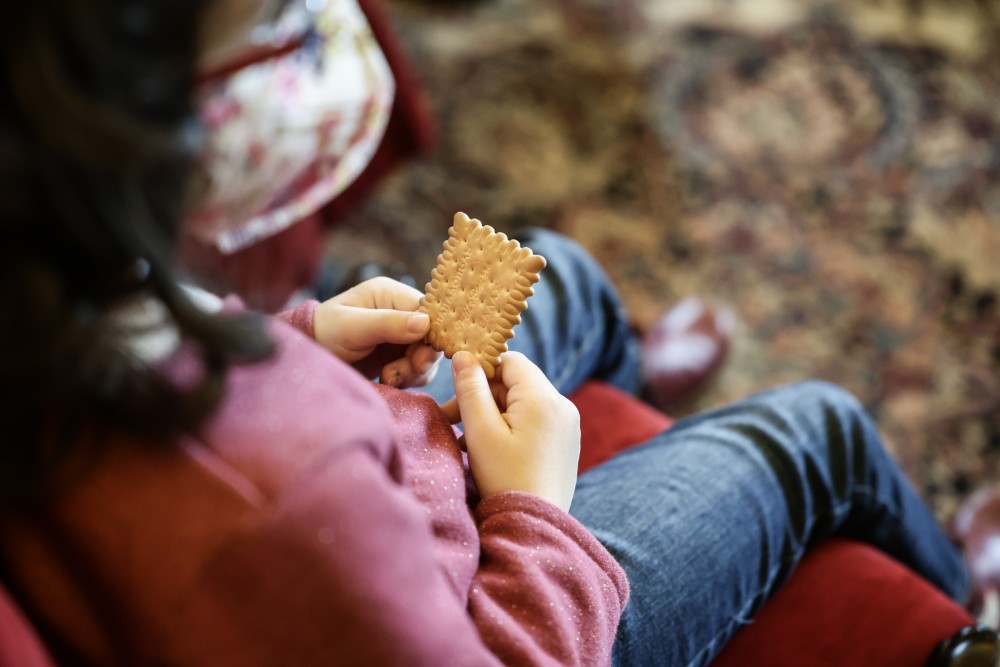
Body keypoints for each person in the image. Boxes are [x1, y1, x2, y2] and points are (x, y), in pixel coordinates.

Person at [0, 1, 995, 666]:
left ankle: (623, 370)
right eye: (286, 27)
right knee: (811, 429)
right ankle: (962, 604)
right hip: (507, 600)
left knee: (552, 268)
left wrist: (298, 335)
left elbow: (184, 356)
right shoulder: (277, 493)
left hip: (372, 480)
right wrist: (530, 507)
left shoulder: (49, 280)